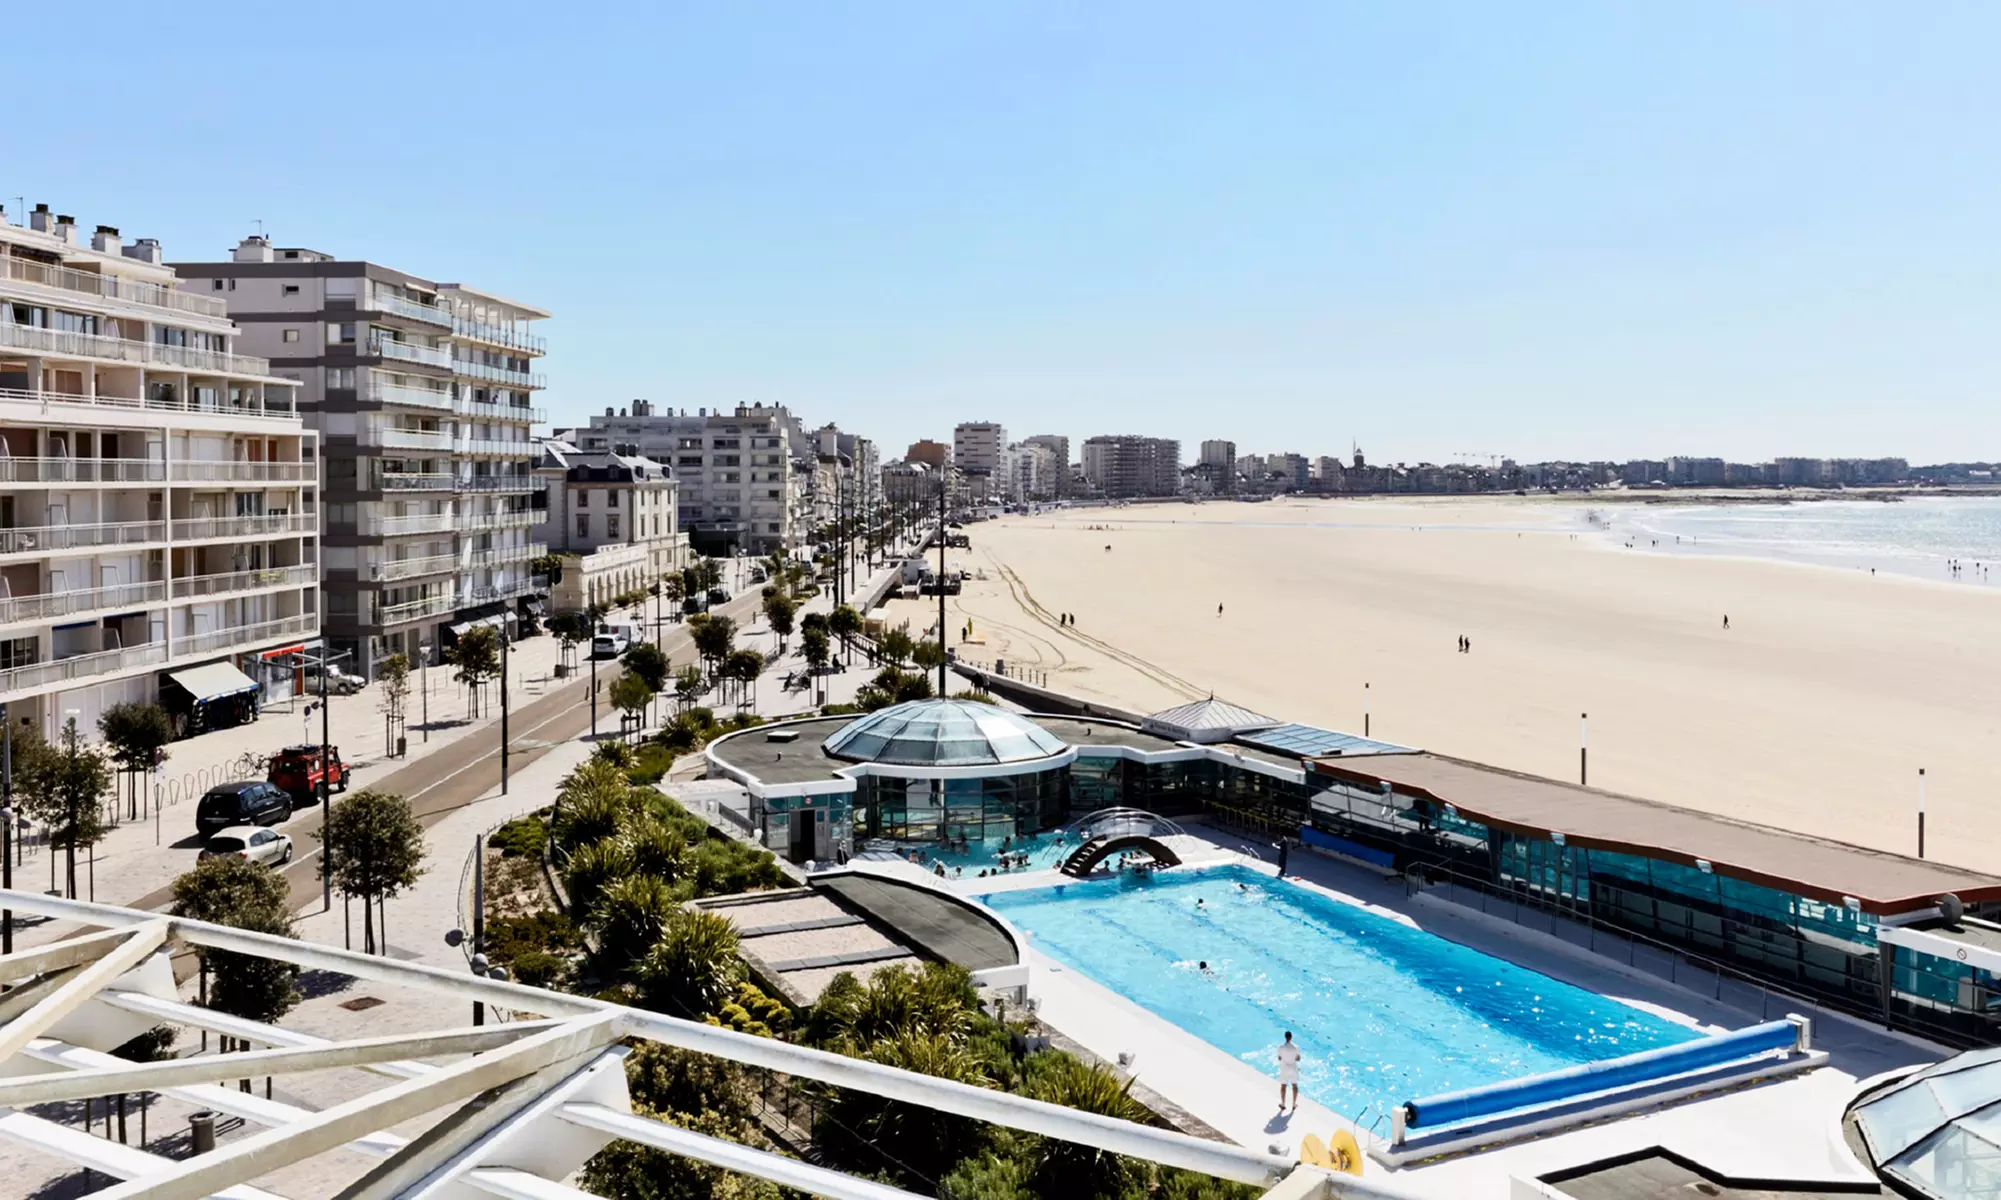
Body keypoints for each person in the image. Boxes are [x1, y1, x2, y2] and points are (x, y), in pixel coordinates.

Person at [1276, 1031, 1302, 1112]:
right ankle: (1294, 1104)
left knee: (1283, 1086)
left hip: (1284, 1068)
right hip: (1293, 1067)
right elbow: (1298, 1059)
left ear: (1285, 1037)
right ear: (1291, 1037)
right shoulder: (1296, 1047)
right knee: (1294, 1086)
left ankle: (1283, 1104)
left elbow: (1279, 1058)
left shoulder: (1280, 1047)